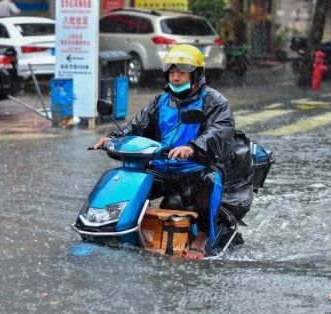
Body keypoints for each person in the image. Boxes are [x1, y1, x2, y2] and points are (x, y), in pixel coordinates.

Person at [94, 44, 236, 260]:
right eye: (172, 72)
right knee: (129, 178)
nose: (175, 78)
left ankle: (203, 236)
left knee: (209, 180)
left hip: (196, 166)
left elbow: (221, 129)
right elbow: (137, 126)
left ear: (196, 74)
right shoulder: (160, 101)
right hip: (162, 165)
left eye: (181, 72)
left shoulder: (214, 101)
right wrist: (113, 139)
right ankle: (115, 223)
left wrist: (193, 147)